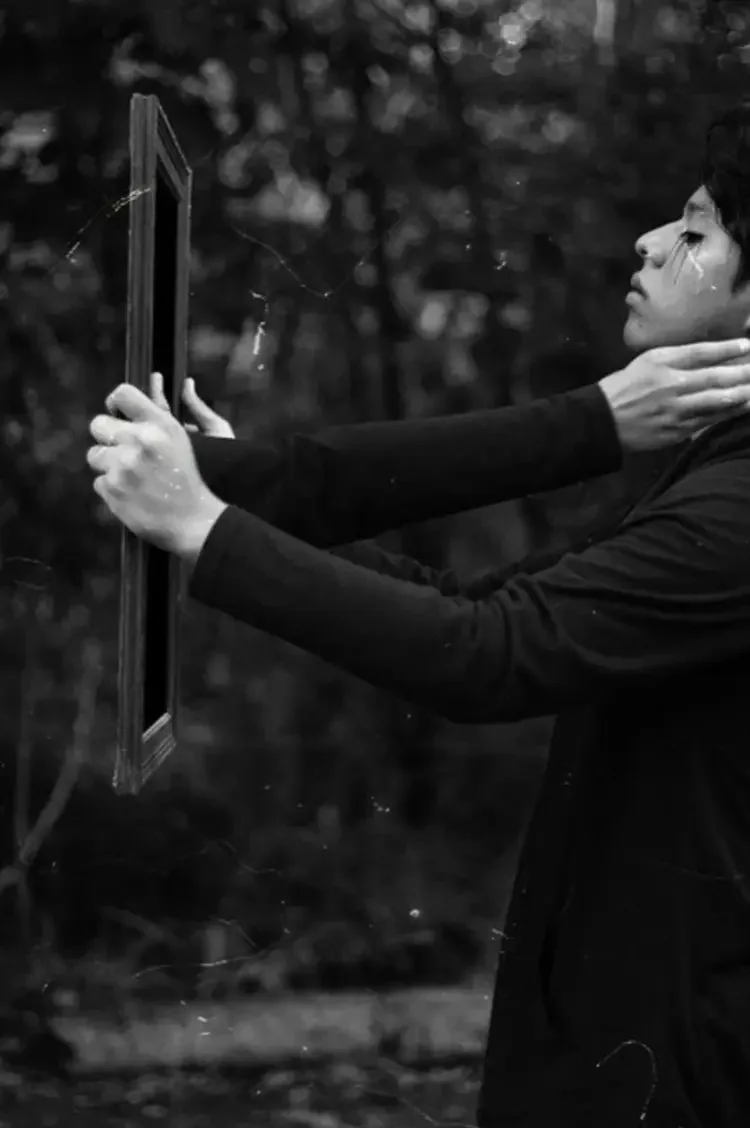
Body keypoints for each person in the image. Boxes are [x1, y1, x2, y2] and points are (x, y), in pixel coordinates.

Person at [88, 102, 750, 1127]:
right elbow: (481, 606)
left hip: (674, 1068)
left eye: (698, 231)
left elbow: (488, 655)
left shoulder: (738, 509)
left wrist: (212, 531)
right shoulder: (715, 476)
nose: (653, 242)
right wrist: (227, 515)